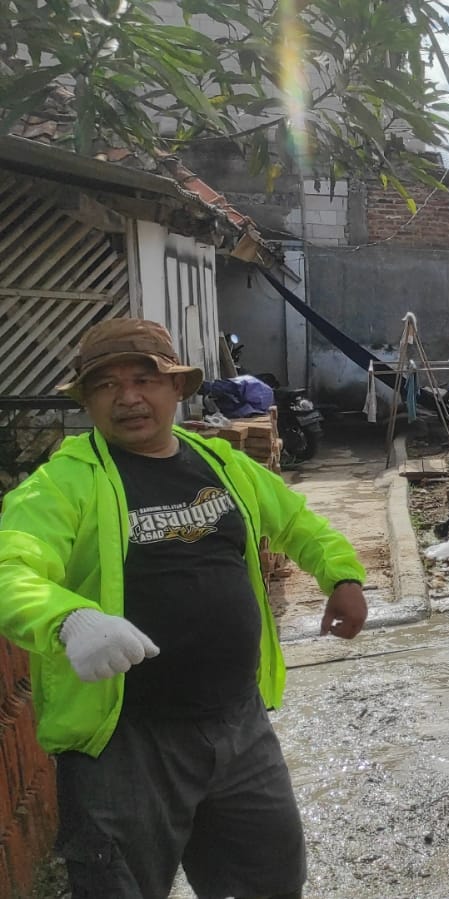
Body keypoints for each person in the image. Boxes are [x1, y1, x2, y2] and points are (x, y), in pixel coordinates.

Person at [0, 318, 368, 899]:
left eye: (144, 379)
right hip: (125, 743)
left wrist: (341, 573)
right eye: (105, 385)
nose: (127, 398)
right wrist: (67, 617)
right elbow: (11, 567)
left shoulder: (218, 464)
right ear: (87, 399)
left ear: (177, 388)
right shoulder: (62, 486)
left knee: (267, 882)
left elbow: (295, 519)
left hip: (238, 724)